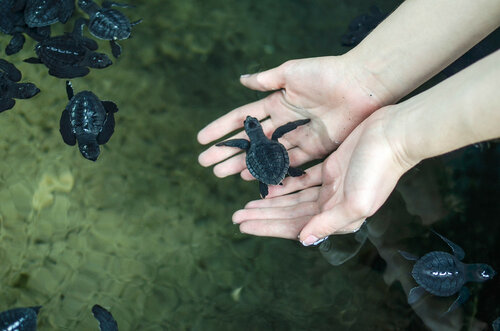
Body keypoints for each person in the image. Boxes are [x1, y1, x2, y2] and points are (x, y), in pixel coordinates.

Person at [197, 0, 500, 246]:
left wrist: (398, 142)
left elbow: (240, 144)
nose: (250, 126)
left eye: (249, 127)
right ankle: (285, 175)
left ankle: (276, 181)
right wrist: (365, 80)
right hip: (275, 157)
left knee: (275, 172)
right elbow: (282, 132)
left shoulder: (253, 141)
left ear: (250, 136)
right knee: (282, 163)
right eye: (252, 125)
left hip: (268, 164)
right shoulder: (274, 135)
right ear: (257, 130)